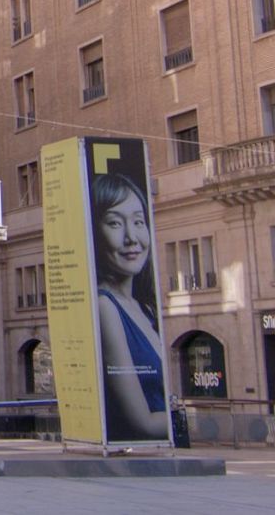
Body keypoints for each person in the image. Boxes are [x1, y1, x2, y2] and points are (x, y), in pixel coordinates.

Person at [90, 172, 168, 442]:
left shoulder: (144, 308)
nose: (131, 237)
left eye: (138, 221)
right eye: (114, 223)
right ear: (95, 232)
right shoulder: (105, 307)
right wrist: (192, 419)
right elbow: (142, 423)